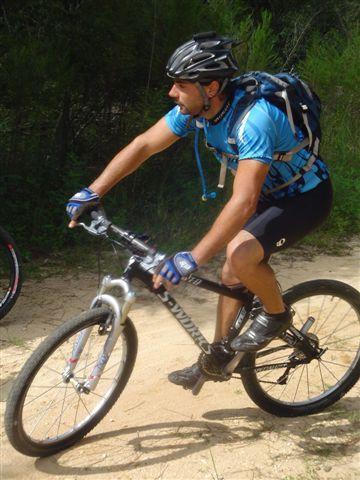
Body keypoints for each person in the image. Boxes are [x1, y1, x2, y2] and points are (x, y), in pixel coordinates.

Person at [66, 32, 332, 390]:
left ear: (210, 87)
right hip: (266, 193)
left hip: (305, 197)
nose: (171, 93)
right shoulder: (199, 110)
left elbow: (244, 202)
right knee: (230, 272)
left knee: (240, 255)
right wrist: (92, 191)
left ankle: (277, 313)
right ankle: (218, 356)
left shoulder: (253, 119)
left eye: (179, 84)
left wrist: (191, 257)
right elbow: (144, 145)